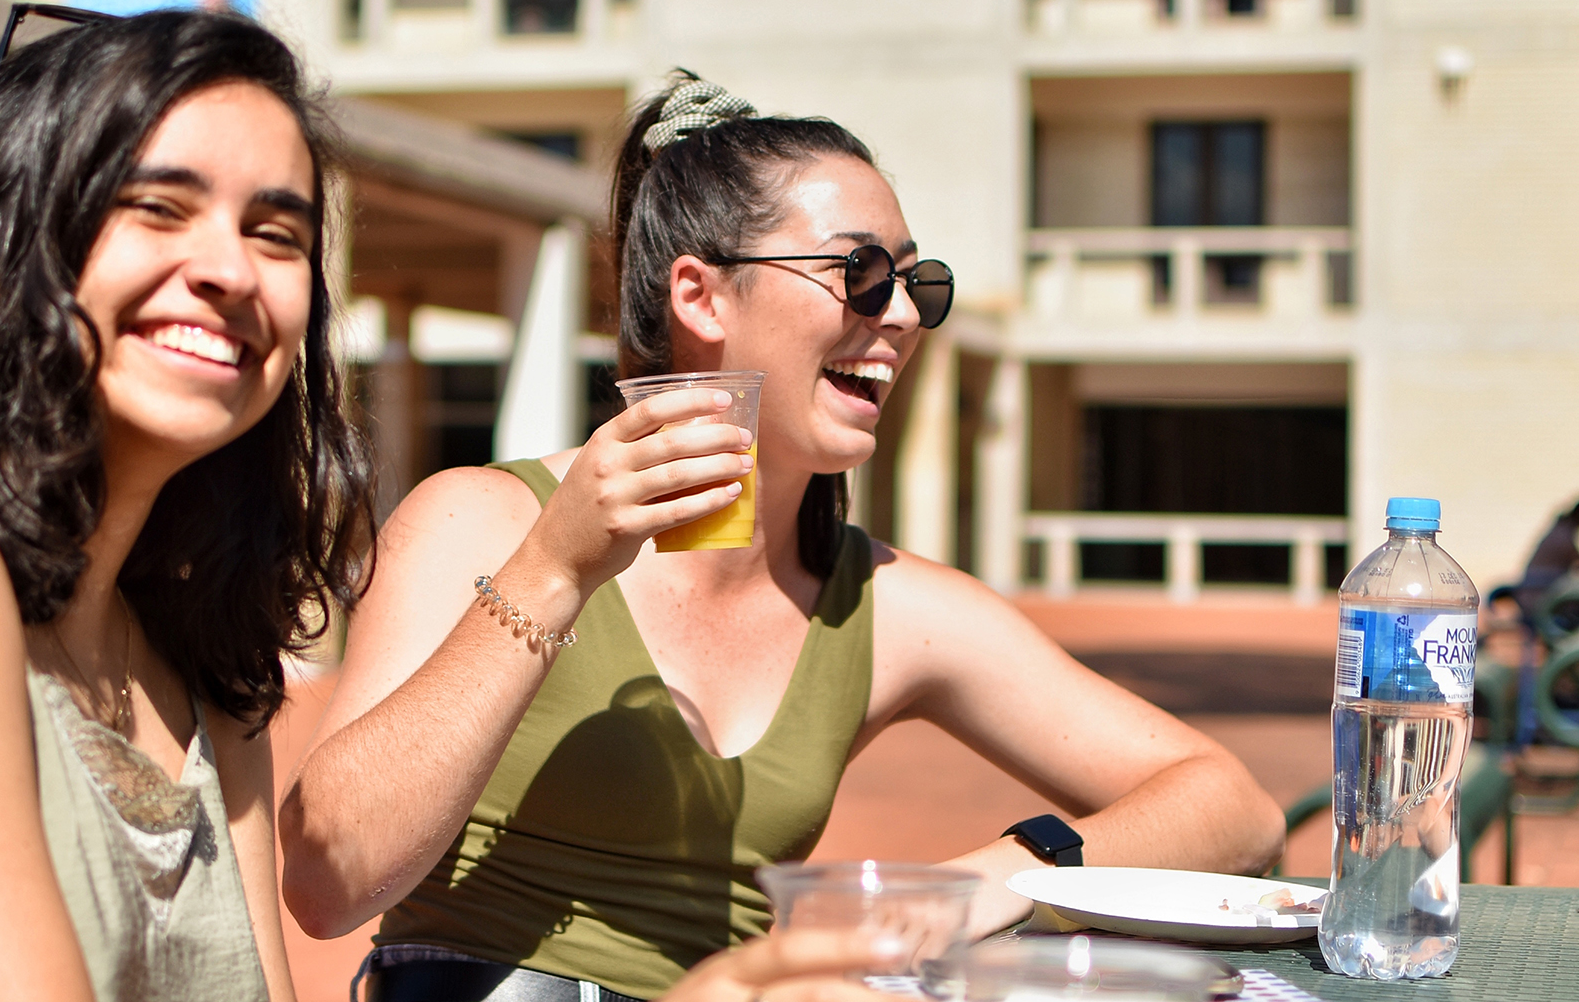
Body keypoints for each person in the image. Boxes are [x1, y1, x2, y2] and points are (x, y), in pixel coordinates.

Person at [0, 14, 903, 1002]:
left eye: (275, 231)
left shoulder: (195, 669)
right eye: (159, 207)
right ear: (3, 251)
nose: (231, 270)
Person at [279, 74, 1287, 1002]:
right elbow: (332, 879)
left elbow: (1234, 810)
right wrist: (554, 572)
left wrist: (991, 885)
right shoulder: (482, 521)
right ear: (701, 296)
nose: (900, 317)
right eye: (859, 272)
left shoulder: (887, 607)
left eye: (913, 285)